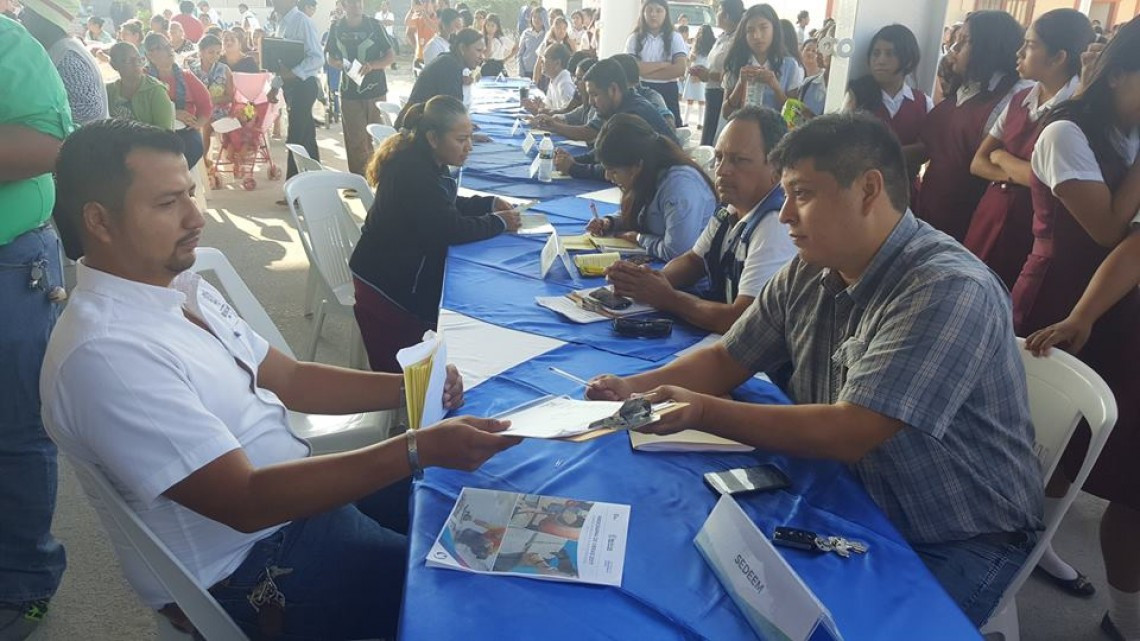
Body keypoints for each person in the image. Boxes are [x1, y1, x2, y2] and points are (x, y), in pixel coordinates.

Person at [43, 118, 520, 641]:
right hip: (260, 565)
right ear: (100, 221)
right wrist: (414, 448)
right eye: (167, 203)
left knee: (492, 500)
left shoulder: (178, 287)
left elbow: (289, 378)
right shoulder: (108, 353)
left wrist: (409, 388)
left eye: (191, 194)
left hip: (301, 503)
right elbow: (245, 502)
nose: (196, 217)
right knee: (485, 593)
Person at [587, 113, 1044, 626]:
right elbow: (727, 357)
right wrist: (631, 386)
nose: (784, 216)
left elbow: (851, 430)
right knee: (688, 573)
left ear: (869, 190)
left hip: (953, 532)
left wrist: (698, 410)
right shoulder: (812, 266)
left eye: (801, 194)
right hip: (843, 489)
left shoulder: (945, 289)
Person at [1012, 19, 1140, 638]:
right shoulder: (1065, 130)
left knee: (1085, 442)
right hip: (1061, 293)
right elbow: (1112, 232)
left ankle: (1037, 543)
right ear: (1119, 74)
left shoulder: (1124, 131)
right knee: (1043, 438)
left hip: (1110, 307)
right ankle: (1016, 547)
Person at [352, 97, 522, 371]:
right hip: (387, 289)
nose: (469, 146)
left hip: (394, 271)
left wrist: (487, 203)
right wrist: (498, 222)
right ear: (433, 137)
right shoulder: (414, 172)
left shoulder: (426, 159)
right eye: (461, 139)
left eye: (470, 137)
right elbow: (449, 228)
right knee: (466, 327)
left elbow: (444, 204)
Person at [0, 15, 73, 640]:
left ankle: (24, 582)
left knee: (16, 429)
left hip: (8, 261)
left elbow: (51, 143)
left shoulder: (5, 41)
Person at [607, 106, 794, 332]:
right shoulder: (732, 207)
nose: (722, 170)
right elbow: (694, 261)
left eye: (739, 160)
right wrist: (647, 282)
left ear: (776, 167)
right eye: (719, 157)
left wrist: (668, 297)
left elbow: (741, 320)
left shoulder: (776, 224)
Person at [963, 10, 1093, 291]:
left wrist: (1003, 157)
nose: (1020, 52)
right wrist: (1023, 171)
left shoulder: (1079, 112)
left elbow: (1051, 182)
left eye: (1031, 45)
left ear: (1058, 57)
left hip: (1031, 231)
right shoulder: (1021, 98)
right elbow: (978, 162)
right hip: (990, 217)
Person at [916, 10, 1029, 243]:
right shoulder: (964, 88)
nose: (954, 49)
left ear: (989, 47)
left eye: (965, 41)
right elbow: (932, 148)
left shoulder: (1012, 97)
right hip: (930, 210)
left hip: (968, 221)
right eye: (956, 40)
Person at [584, 113, 715, 260]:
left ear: (637, 165)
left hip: (691, 277)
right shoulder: (648, 174)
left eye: (614, 171)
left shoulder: (679, 187)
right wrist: (610, 222)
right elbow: (643, 214)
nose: (607, 177)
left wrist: (640, 238)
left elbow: (677, 252)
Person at [542, 58, 678, 179]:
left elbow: (619, 169)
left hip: (665, 184)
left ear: (613, 89)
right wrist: (571, 160)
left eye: (594, 95)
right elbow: (604, 151)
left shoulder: (632, 114)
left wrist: (574, 168)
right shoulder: (623, 105)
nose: (590, 102)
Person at [845, 24, 931, 195]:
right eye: (876, 53)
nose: (880, 60)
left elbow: (926, 150)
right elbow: (846, 146)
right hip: (862, 192)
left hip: (905, 192)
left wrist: (877, 155)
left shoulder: (922, 102)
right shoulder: (857, 96)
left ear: (908, 60)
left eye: (890, 53)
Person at [325, 0, 394, 176]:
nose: (357, 5)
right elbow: (329, 55)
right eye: (352, 2)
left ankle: (380, 178)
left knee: (379, 138)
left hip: (376, 91)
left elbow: (390, 56)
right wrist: (336, 63)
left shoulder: (374, 25)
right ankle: (360, 180)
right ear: (343, 5)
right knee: (356, 141)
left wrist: (372, 65)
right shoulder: (336, 27)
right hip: (349, 92)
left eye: (359, 2)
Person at [20, 0, 108, 126]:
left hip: (84, 142)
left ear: (44, 20)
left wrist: (35, 112)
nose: (20, 16)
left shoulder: (66, 56)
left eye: (27, 11)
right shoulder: (57, 49)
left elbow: (88, 108)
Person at [271, 0, 324, 178]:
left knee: (295, 138)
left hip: (304, 85)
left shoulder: (303, 22)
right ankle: (316, 179)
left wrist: (293, 73)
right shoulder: (280, 23)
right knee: (307, 137)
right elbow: (281, 63)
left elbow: (317, 58)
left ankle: (293, 187)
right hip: (290, 87)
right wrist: (275, 86)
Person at [144, 32, 211, 169]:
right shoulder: (144, 79)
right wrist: (173, 113)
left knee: (194, 147)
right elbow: (143, 108)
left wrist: (197, 124)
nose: (169, 49)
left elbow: (206, 105)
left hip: (185, 130)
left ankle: (179, 183)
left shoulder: (186, 76)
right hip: (155, 131)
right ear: (149, 55)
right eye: (162, 47)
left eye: (169, 45)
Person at [722, 4, 802, 119]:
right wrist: (740, 84)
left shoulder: (790, 65)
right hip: (742, 132)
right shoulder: (736, 63)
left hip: (776, 134)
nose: (757, 36)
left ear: (774, 28)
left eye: (763, 27)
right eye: (750, 30)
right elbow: (725, 114)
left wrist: (775, 86)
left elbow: (794, 116)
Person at [398, 27, 484, 126]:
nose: (482, 57)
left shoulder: (450, 61)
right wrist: (466, 133)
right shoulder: (449, 66)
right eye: (478, 50)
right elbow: (450, 114)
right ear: (462, 48)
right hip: (415, 132)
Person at [690, 0, 743, 146]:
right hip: (711, 90)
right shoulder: (723, 36)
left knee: (718, 134)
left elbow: (734, 73)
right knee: (708, 133)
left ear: (726, 15)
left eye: (719, 10)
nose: (716, 14)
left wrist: (709, 75)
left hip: (724, 92)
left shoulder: (738, 40)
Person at [625, 0, 688, 124]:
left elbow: (680, 69)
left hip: (668, 90)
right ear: (643, 13)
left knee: (668, 127)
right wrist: (663, 65)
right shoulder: (634, 38)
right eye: (649, 10)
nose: (653, 15)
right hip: (641, 88)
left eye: (658, 11)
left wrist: (644, 71)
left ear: (666, 13)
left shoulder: (675, 37)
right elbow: (631, 69)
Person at [107, 41, 176, 129]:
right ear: (114, 65)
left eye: (138, 58)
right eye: (128, 60)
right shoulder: (109, 91)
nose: (136, 63)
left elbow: (164, 133)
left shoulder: (155, 90)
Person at [191, 34, 232, 168]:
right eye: (210, 52)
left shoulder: (224, 70)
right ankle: (193, 159)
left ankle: (202, 159)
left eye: (218, 52)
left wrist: (211, 101)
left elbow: (230, 96)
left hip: (218, 110)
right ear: (201, 52)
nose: (214, 56)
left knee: (206, 122)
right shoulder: (192, 69)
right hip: (195, 109)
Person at [684, 25, 714, 129]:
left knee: (693, 98)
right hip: (702, 72)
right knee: (701, 99)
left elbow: (690, 60)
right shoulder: (710, 45)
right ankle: (699, 123)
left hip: (698, 71)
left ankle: (687, 121)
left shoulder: (697, 44)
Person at [536, 44, 574, 111]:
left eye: (545, 59)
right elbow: (549, 106)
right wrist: (538, 105)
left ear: (557, 63)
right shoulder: (554, 78)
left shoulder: (565, 83)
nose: (541, 62)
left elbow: (567, 113)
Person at [798, 38, 828, 117]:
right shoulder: (803, 79)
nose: (810, 53)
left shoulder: (824, 79)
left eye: (814, 51)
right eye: (807, 49)